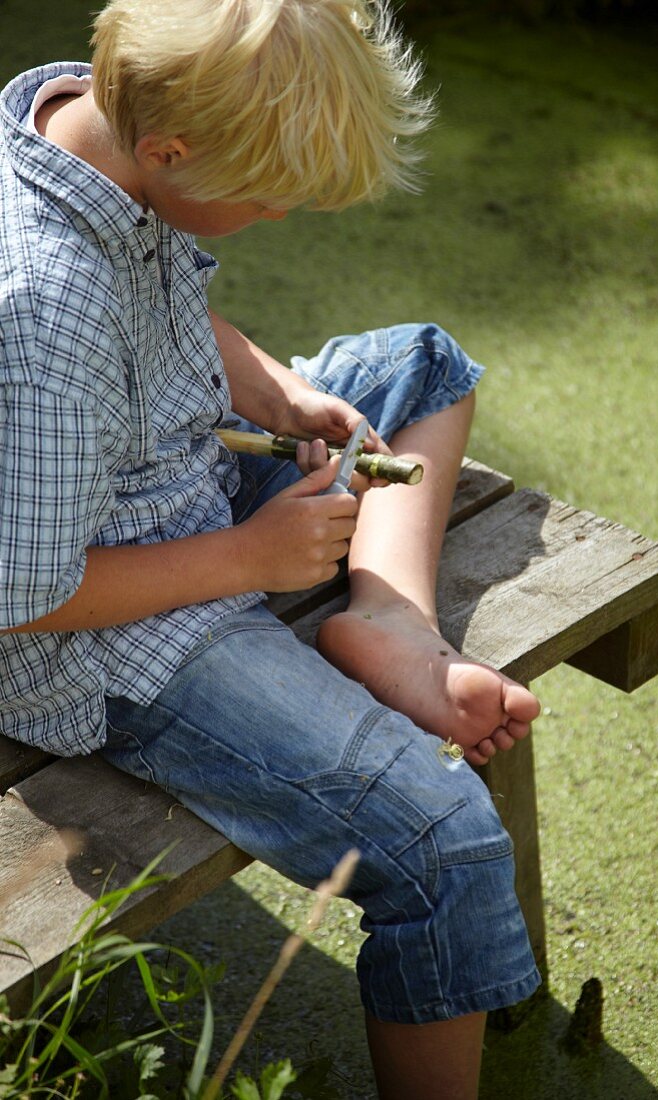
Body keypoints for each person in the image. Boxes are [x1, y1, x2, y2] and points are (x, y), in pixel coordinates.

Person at [0, 1, 542, 1096]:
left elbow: (159, 301)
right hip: (115, 626)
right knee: (445, 843)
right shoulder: (43, 305)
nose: (282, 212)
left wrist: (275, 388)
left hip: (171, 478)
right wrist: (250, 558)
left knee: (419, 366)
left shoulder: (72, 127)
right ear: (170, 149)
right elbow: (20, 591)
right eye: (267, 192)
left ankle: (385, 615)